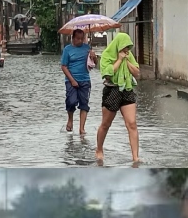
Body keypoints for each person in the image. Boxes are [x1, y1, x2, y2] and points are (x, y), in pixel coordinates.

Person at [96, 33, 140, 163]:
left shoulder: (128, 55)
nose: (126, 50)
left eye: (128, 47)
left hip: (127, 89)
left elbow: (137, 72)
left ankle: (135, 157)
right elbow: (107, 74)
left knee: (132, 123)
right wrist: (119, 60)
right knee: (105, 124)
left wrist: (127, 61)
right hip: (112, 90)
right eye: (124, 47)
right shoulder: (106, 55)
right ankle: (99, 149)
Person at [60, 29, 97, 135]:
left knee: (84, 104)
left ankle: (82, 128)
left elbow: (94, 64)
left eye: (82, 39)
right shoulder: (67, 50)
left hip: (85, 80)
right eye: (78, 39)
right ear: (73, 38)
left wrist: (93, 57)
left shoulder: (87, 48)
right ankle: (70, 120)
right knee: (71, 102)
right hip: (71, 80)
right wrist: (72, 80)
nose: (80, 41)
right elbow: (63, 66)